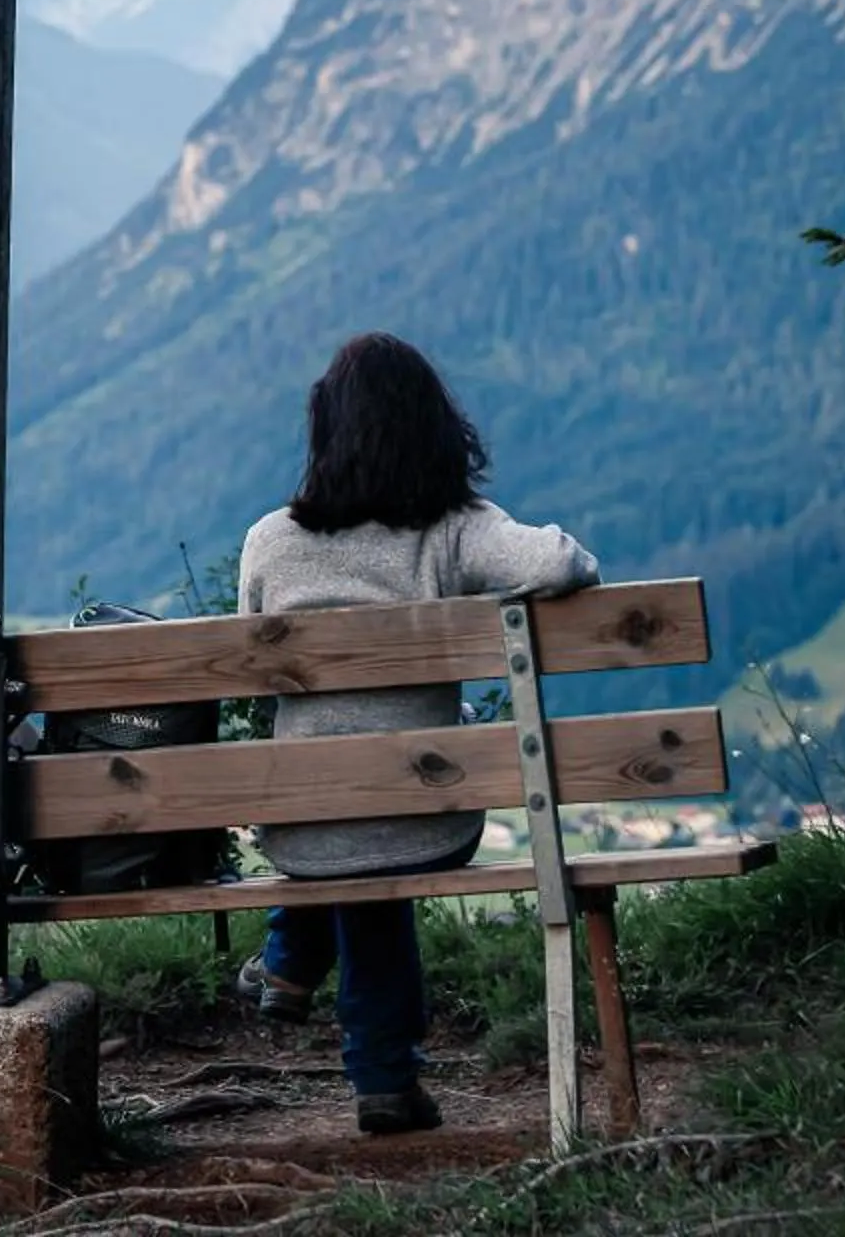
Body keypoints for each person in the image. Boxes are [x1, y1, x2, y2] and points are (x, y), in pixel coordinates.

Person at [233, 332, 599, 1135]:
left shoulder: (271, 541)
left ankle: (290, 963)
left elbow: (247, 657)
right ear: (434, 428)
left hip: (300, 828)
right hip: (427, 820)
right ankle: (384, 1080)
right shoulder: (454, 531)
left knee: (336, 827)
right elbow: (569, 564)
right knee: (381, 841)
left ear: (324, 428)